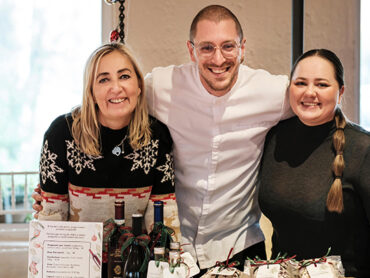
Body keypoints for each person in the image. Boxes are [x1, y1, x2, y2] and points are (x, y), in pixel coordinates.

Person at [33, 5, 293, 271]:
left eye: (228, 46)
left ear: (242, 47)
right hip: (178, 253)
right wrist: (51, 190)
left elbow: (319, 102)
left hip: (239, 245)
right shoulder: (161, 87)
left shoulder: (272, 92)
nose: (218, 59)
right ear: (191, 50)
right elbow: (112, 103)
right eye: (206, 48)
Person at [36, 42, 180, 238]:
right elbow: (52, 219)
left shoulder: (157, 136)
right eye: (103, 80)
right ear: (91, 92)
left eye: (124, 76)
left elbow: (163, 219)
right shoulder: (61, 134)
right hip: (76, 263)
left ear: (138, 86)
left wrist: (168, 267)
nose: (116, 87)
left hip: (138, 263)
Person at [258, 49, 370, 277]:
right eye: (300, 83)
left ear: (340, 92)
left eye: (321, 85)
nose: (310, 92)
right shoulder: (273, 138)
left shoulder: (362, 149)